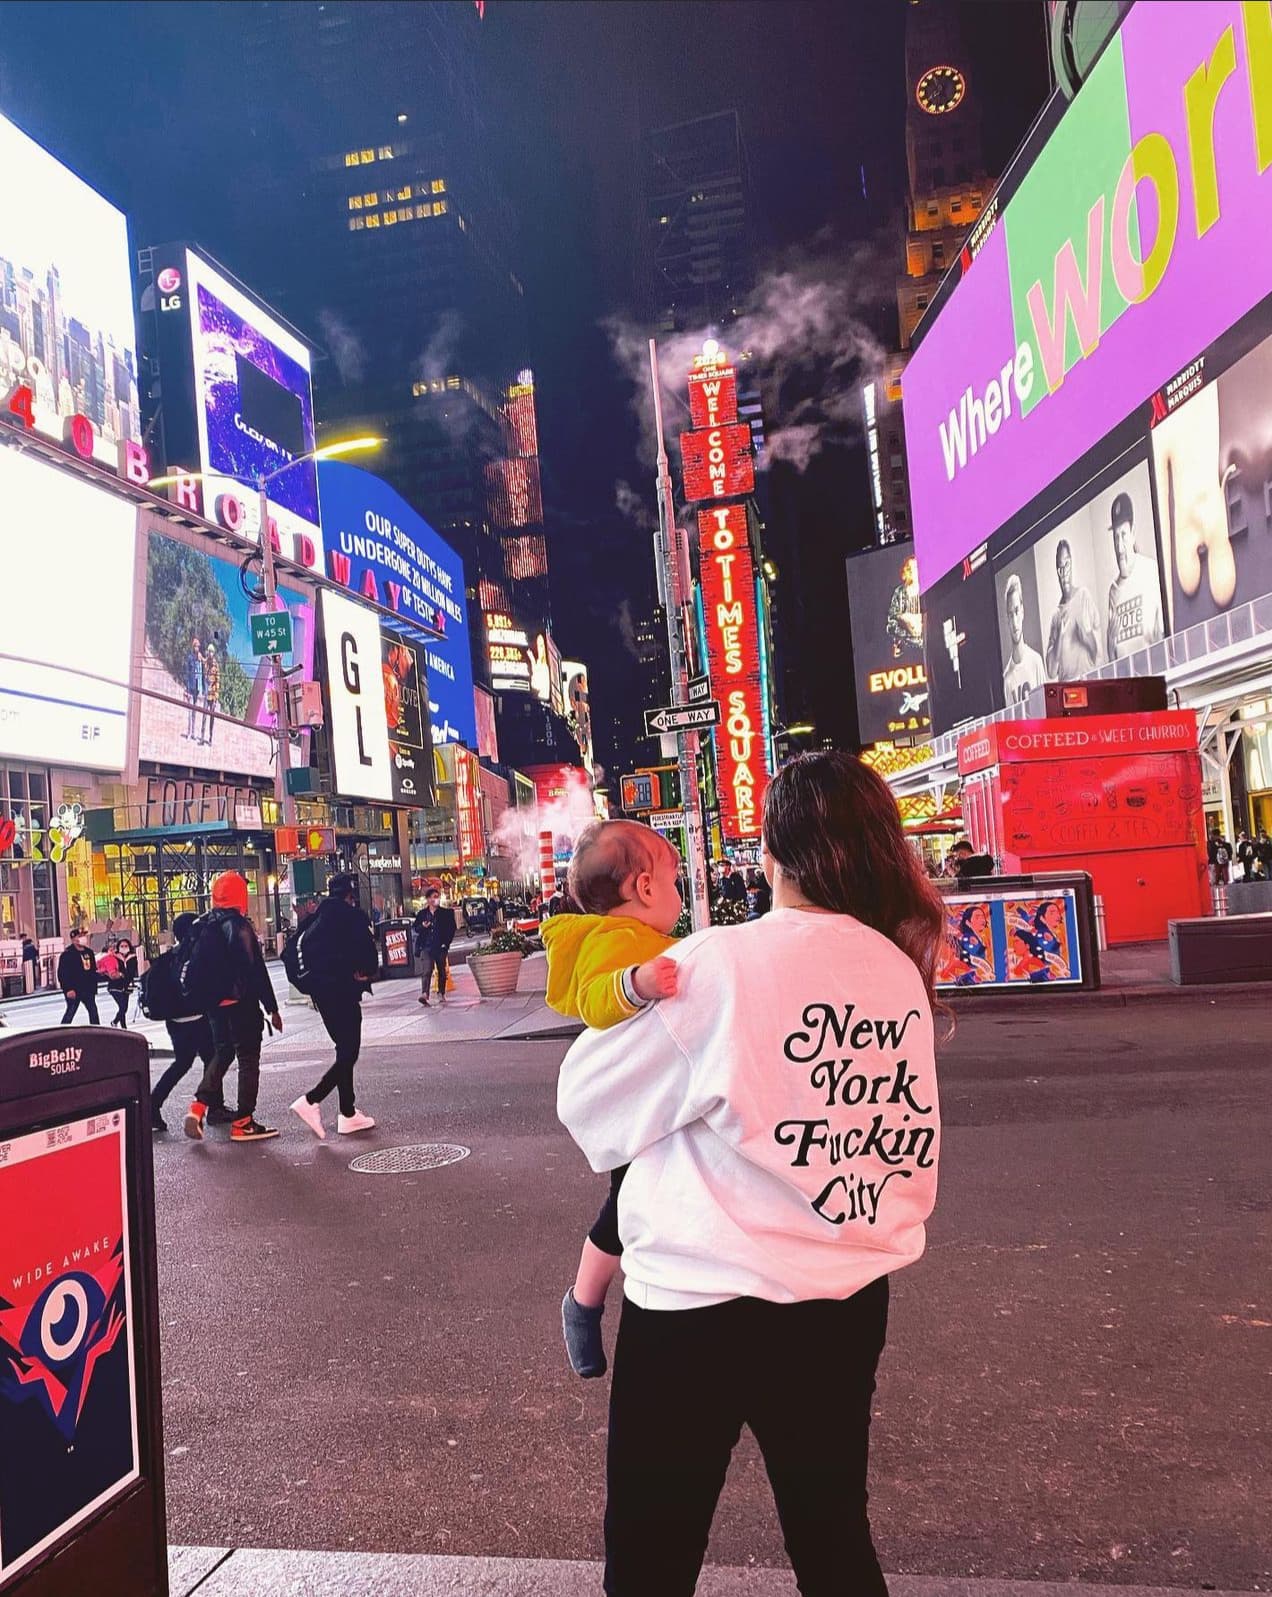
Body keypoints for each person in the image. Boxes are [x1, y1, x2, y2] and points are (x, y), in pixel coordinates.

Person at [557, 752, 942, 1596]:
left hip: (698, 1305)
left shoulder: (718, 963)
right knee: (833, 1532)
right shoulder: (894, 971)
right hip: (843, 1296)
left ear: (771, 854)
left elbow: (589, 1105)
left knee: (653, 1558)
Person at [541, 820, 684, 1379]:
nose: (679, 895)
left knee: (636, 1202)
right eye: (674, 882)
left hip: (660, 1104)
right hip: (635, 1108)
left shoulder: (645, 940)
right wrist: (637, 983)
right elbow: (597, 1000)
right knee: (621, 1209)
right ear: (644, 889)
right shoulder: (616, 942)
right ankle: (583, 1301)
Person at [183, 872, 283, 1143]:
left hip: (215, 1005)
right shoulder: (239, 925)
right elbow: (255, 970)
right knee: (248, 1058)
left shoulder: (206, 924)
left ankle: (198, 1106)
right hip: (242, 1003)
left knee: (223, 1052)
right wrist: (272, 1008)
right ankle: (243, 1122)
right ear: (239, 895)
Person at [290, 873, 380, 1138]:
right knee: (350, 1052)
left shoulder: (315, 919)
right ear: (351, 894)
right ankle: (311, 1100)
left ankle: (348, 1113)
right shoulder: (351, 917)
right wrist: (364, 973)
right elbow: (369, 958)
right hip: (344, 992)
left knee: (344, 1050)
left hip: (321, 995)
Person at [149, 913, 222, 1133]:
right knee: (213, 1059)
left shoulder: (169, 957)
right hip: (197, 1018)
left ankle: (154, 1103)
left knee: (184, 1062)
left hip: (175, 1021)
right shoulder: (193, 955)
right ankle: (215, 1108)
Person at [1106, 491, 1164, 661]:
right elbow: (1112, 659)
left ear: (1133, 533)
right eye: (1115, 537)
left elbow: (1164, 640)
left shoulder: (1150, 571)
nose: (1119, 546)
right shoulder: (1113, 592)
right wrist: (1110, 646)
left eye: (1123, 535)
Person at [1044, 538, 1102, 680]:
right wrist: (1060, 637)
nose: (1064, 572)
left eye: (1067, 564)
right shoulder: (1055, 617)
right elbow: (1051, 672)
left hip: (1089, 687)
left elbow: (1099, 655)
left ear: (1072, 564)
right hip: (1067, 696)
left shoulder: (1084, 596)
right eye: (1060, 568)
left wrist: (1087, 636)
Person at [1001, 573, 1045, 704]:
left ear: (1022, 612)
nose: (1014, 621)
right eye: (1010, 614)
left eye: (1016, 611)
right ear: (1007, 619)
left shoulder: (1036, 661)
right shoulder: (1006, 678)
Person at [413, 887, 457, 1007]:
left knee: (441, 970)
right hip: (426, 947)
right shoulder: (422, 914)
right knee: (426, 970)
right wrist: (423, 926)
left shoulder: (446, 913)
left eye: (437, 897)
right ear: (428, 899)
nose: (435, 899)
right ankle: (424, 993)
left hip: (440, 946)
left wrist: (446, 943)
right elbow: (415, 928)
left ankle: (441, 992)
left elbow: (452, 928)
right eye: (432, 897)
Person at [57, 929, 100, 1025]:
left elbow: (92, 970)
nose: (83, 938)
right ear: (73, 939)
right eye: (79, 936)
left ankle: (96, 1032)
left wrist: (94, 986)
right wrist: (68, 989)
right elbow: (63, 974)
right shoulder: (67, 954)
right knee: (71, 1011)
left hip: (87, 988)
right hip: (74, 988)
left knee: (93, 1011)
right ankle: (62, 1032)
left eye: (83, 936)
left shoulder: (89, 952)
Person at [885, 554, 923, 658]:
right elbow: (891, 624)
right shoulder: (899, 592)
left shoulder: (926, 586)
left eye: (915, 568)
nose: (913, 572)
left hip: (929, 644)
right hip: (909, 650)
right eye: (909, 569)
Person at [104, 936, 139, 1028]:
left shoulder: (132, 957)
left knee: (124, 1008)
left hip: (126, 985)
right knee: (122, 1006)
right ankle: (123, 1027)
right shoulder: (114, 957)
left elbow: (132, 971)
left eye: (126, 946)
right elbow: (110, 969)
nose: (124, 948)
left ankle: (115, 1022)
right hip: (115, 985)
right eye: (122, 946)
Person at [184, 637, 204, 741]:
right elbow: (187, 673)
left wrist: (201, 690)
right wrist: (186, 689)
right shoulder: (190, 658)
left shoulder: (199, 659)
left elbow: (201, 675)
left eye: (198, 646)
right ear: (193, 647)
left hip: (197, 688)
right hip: (190, 687)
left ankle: (193, 733)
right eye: (196, 646)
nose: (197, 648)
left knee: (195, 712)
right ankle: (188, 733)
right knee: (189, 711)